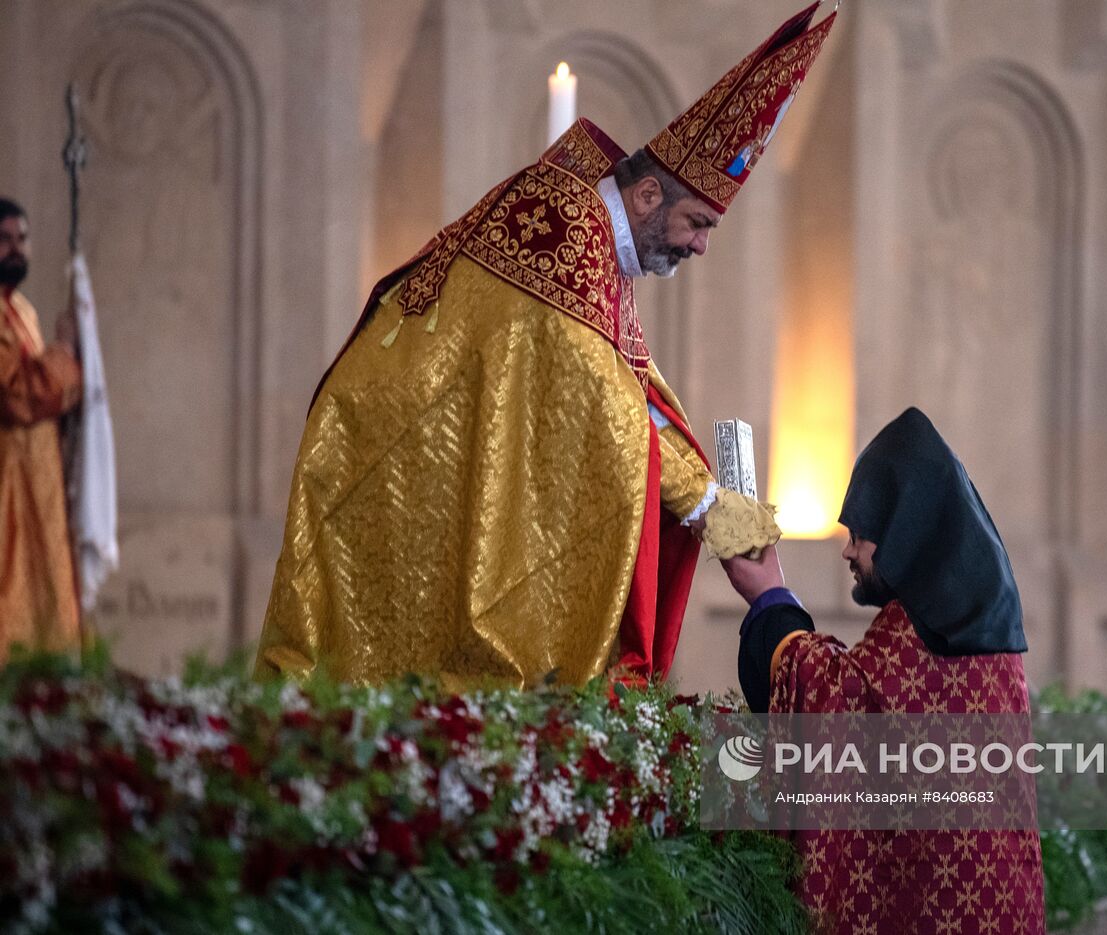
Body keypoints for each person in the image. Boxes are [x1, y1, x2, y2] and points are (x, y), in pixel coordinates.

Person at [255, 4, 836, 687]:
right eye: (697, 221)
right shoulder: (564, 226)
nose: (701, 244)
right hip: (386, 448)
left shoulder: (596, 237)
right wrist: (711, 508)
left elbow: (629, 395)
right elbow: (604, 399)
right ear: (648, 194)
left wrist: (711, 499)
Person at [721, 407, 1046, 933]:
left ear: (906, 529)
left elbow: (837, 703)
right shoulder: (973, 613)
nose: (849, 550)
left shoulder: (926, 628)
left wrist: (769, 595)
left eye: (861, 533)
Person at [0, 198, 83, 659]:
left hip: (36, 491)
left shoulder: (23, 313)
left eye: (23, 239)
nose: (16, 249)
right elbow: (17, 394)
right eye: (5, 239)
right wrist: (64, 353)